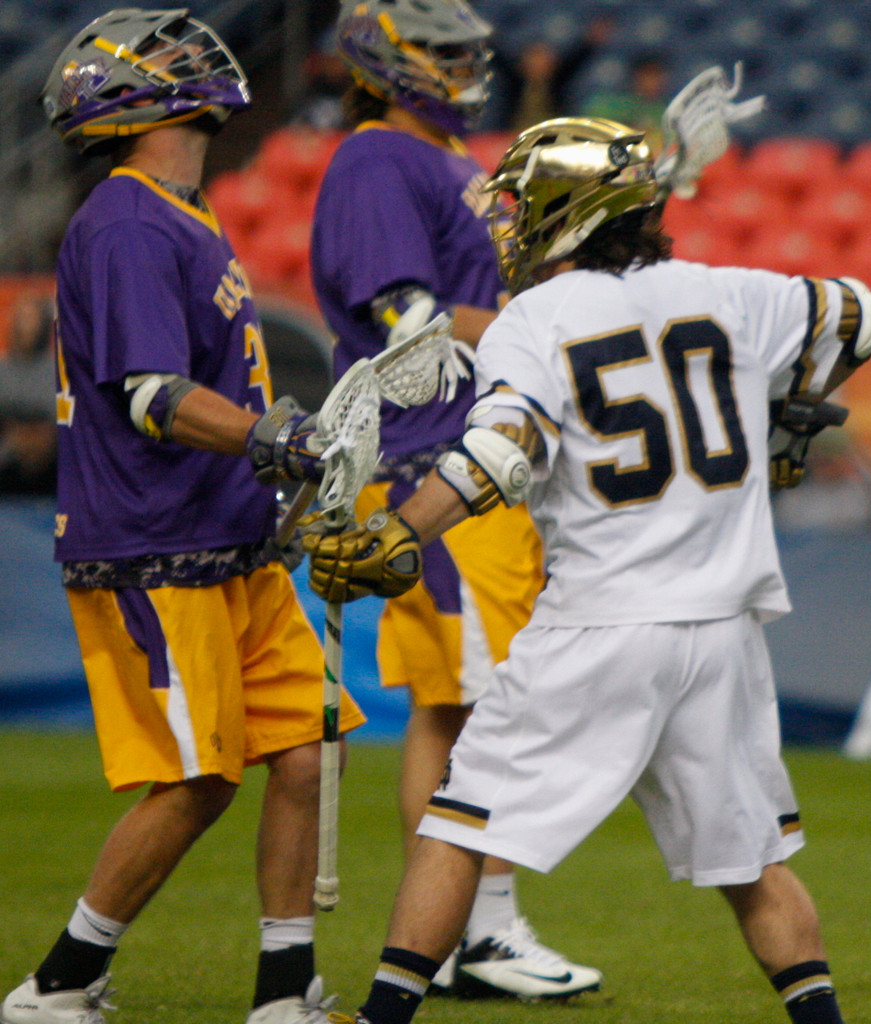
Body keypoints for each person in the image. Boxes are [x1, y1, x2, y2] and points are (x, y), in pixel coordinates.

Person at [301, 115, 871, 1024]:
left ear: (565, 213)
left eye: (524, 205)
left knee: (458, 826)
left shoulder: (534, 318)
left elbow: (500, 452)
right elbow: (859, 314)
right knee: (753, 865)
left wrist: (402, 530)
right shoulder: (734, 293)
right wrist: (788, 417)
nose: (509, 224)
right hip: (725, 631)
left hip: (600, 621)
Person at [0, 10, 365, 1024]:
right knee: (199, 779)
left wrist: (278, 479)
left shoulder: (183, 212)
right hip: (154, 543)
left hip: (228, 537)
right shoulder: (126, 222)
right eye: (166, 57)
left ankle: (283, 995)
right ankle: (58, 983)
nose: (194, 56)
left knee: (304, 753)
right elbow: (153, 397)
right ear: (126, 100)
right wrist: (277, 440)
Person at [308, 0, 602, 1001]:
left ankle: (460, 934)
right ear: (381, 59)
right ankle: (479, 932)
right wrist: (552, 324)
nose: (460, 65)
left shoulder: (440, 156)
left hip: (469, 458)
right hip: (432, 460)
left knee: (462, 702)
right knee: (481, 701)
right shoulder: (378, 158)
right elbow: (412, 320)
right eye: (437, 50)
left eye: (461, 50)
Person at [0, 292, 56, 494]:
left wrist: (41, 440)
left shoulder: (58, 373)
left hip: (51, 463)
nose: (27, 326)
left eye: (33, 319)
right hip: (7, 458)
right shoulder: (3, 370)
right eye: (23, 319)